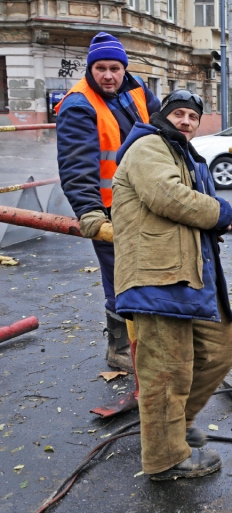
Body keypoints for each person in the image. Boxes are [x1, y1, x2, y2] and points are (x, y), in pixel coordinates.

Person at [112, 90, 232, 480]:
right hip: (156, 275)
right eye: (178, 114)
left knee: (223, 347)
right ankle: (166, 459)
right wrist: (221, 212)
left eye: (192, 117)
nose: (185, 121)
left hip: (191, 275)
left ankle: (174, 425)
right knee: (168, 370)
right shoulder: (149, 145)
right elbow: (166, 196)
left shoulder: (183, 153)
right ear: (163, 116)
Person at [55, 32, 161, 372]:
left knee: (153, 271)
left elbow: (163, 129)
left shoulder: (137, 89)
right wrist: (90, 213)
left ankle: (148, 339)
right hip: (111, 212)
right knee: (121, 278)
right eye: (100, 68)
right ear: (90, 69)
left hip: (147, 199)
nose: (107, 75)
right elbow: (76, 166)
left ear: (124, 69)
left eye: (114, 68)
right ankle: (119, 348)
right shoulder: (78, 105)